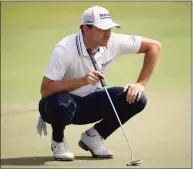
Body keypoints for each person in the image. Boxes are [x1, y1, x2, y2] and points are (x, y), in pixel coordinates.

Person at [37, 5, 161, 161]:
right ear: (85, 28)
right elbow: (45, 89)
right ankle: (58, 140)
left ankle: (94, 137)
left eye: (109, 28)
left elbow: (154, 47)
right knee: (62, 104)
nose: (108, 33)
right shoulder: (64, 49)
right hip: (56, 107)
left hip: (89, 102)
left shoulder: (113, 41)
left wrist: (140, 83)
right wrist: (81, 81)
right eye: (102, 29)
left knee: (137, 98)